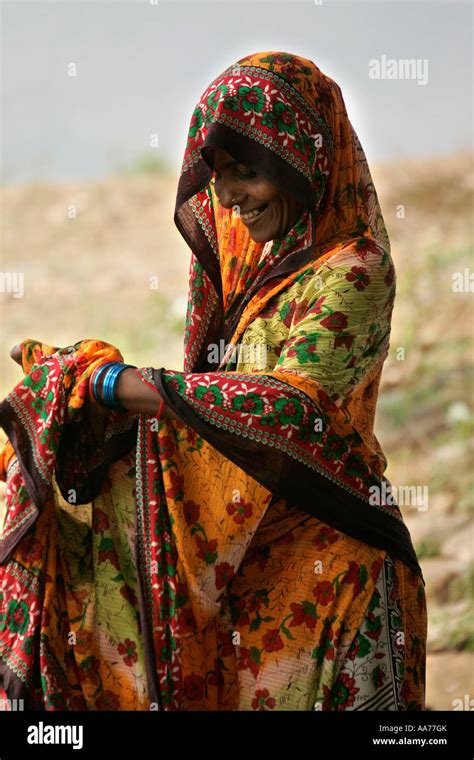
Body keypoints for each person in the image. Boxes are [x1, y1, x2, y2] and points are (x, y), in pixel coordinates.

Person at [0, 50, 426, 711]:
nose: (225, 196)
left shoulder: (353, 272)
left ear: (301, 164)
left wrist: (124, 386)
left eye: (245, 173)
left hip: (336, 573)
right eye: (218, 175)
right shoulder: (247, 273)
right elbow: (206, 418)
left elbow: (289, 408)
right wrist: (88, 403)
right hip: (245, 575)